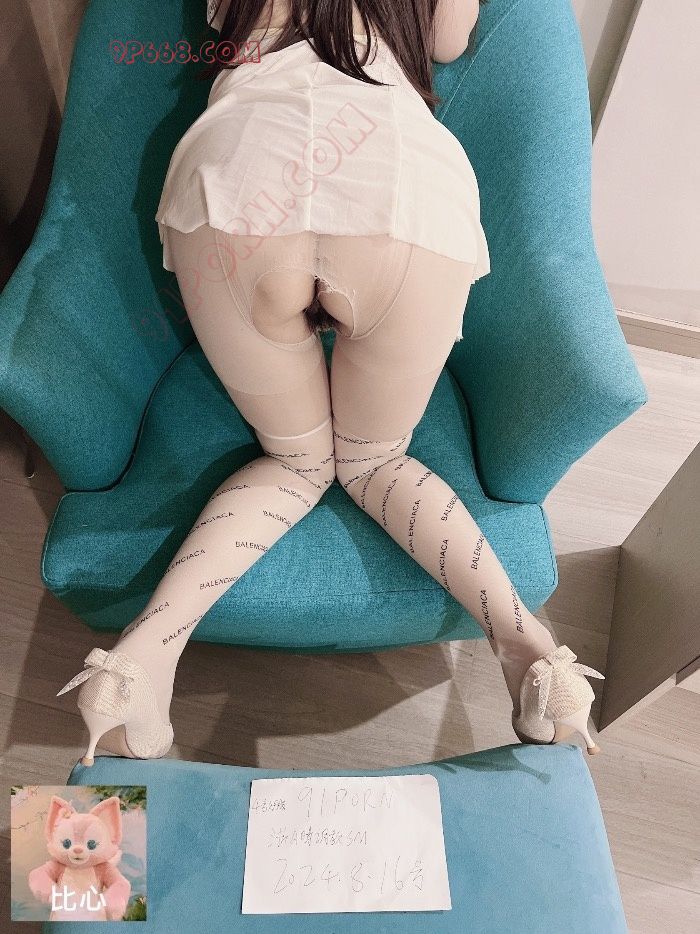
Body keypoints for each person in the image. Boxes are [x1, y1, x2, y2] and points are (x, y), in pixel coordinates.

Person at [58, 0, 604, 764]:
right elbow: (449, 43)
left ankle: (142, 658)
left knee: (296, 461)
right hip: (402, 189)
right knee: (374, 461)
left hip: (240, 181)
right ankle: (532, 653)